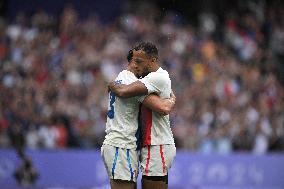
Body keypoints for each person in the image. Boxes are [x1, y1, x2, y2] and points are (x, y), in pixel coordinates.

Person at [101, 47, 176, 189]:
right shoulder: (131, 83)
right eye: (138, 62)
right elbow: (162, 107)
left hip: (124, 145)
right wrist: (172, 100)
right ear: (133, 63)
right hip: (121, 145)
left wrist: (111, 84)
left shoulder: (121, 79)